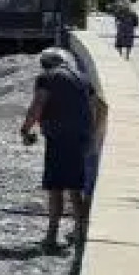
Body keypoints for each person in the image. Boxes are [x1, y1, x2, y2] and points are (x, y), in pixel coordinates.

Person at [21, 48, 107, 254]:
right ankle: (80, 233)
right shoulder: (82, 78)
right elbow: (102, 107)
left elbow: (38, 104)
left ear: (45, 64)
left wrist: (25, 128)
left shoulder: (47, 77)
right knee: (76, 187)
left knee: (55, 187)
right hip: (80, 138)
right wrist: (93, 135)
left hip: (59, 138)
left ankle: (51, 236)